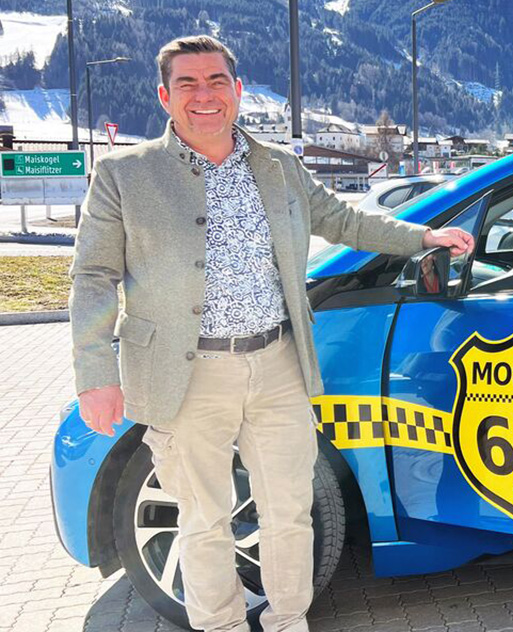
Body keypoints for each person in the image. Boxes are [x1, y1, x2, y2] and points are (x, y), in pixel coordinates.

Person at [70, 35, 474, 632]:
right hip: (184, 375)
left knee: (290, 512)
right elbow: (93, 277)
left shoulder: (278, 166)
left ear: (237, 90)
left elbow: (343, 219)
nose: (204, 95)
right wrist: (95, 375)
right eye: (187, 83)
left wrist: (423, 238)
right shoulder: (124, 174)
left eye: (216, 81)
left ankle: (289, 621)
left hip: (278, 363)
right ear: (164, 95)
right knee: (203, 519)